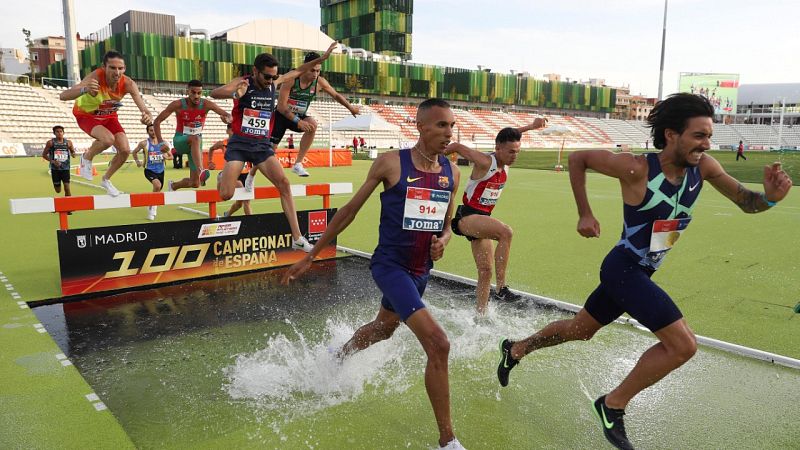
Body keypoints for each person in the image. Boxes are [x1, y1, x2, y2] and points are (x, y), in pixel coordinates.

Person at [496, 93, 792, 450]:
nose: (706, 143)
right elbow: (578, 159)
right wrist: (585, 213)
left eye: (708, 135)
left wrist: (771, 197)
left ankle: (516, 349)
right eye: (698, 135)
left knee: (580, 330)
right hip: (623, 269)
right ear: (671, 135)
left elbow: (748, 202)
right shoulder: (636, 168)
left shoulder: (705, 168)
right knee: (682, 346)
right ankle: (612, 404)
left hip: (642, 272)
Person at [283, 98, 465, 450]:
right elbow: (349, 211)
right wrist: (312, 256)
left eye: (451, 125)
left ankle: (340, 353)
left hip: (420, 271)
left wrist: (443, 239)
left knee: (383, 329)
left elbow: (447, 222)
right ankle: (447, 441)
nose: (448, 132)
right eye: (441, 125)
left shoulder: (452, 172)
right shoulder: (390, 163)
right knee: (439, 343)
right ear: (421, 126)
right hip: (390, 266)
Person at [210, 42, 338, 252]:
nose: (270, 80)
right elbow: (215, 93)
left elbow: (299, 70)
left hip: (261, 146)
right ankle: (223, 177)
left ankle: (297, 237)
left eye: (273, 77)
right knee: (226, 194)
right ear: (255, 72)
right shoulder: (243, 82)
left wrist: (321, 60)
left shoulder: (274, 83)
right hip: (240, 144)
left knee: (284, 184)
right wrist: (236, 94)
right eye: (267, 76)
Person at [446, 118, 548, 313]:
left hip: (482, 220)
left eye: (517, 152)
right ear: (498, 149)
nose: (515, 156)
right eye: (511, 152)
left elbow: (509, 136)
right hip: (467, 217)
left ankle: (480, 314)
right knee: (505, 232)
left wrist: (531, 127)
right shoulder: (486, 161)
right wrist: (433, 156)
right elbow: (458, 146)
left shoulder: (506, 160)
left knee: (485, 271)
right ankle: (502, 288)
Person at [243, 51, 360, 181]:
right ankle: (251, 175)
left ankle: (298, 163)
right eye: (312, 70)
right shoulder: (291, 80)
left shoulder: (320, 82)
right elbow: (281, 107)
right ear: (305, 68)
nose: (315, 74)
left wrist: (350, 108)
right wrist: (297, 121)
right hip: (281, 117)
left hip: (298, 116)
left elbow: (336, 95)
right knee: (270, 151)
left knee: (313, 125)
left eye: (318, 71)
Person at [59, 50, 152, 197]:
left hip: (109, 116)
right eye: (113, 68)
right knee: (108, 139)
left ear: (125, 68)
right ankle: (87, 156)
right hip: (87, 115)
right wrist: (85, 89)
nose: (117, 72)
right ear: (104, 67)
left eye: (120, 68)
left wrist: (146, 117)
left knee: (125, 150)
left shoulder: (128, 84)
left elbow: (144, 109)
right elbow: (63, 96)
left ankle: (106, 179)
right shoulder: (95, 77)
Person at [153, 79, 232, 191]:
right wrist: (160, 142)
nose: (196, 96)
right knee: (195, 138)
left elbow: (226, 114)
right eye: (193, 93)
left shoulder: (206, 104)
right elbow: (157, 121)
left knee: (195, 183)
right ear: (188, 91)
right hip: (180, 140)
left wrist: (226, 119)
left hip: (195, 144)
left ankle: (173, 185)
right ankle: (201, 170)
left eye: (199, 93)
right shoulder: (178, 104)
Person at [208, 124, 252, 217]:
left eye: (235, 130)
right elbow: (211, 149)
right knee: (244, 196)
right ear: (227, 131)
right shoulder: (223, 143)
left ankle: (227, 214)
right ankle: (252, 223)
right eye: (231, 130)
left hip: (245, 174)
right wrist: (210, 161)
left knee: (241, 203)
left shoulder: (244, 142)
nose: (234, 132)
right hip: (232, 174)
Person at [132, 124, 172, 220]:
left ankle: (152, 204)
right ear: (147, 132)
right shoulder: (144, 143)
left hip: (161, 171)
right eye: (151, 130)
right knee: (157, 186)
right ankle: (152, 208)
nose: (153, 132)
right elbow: (134, 152)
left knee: (157, 190)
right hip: (149, 170)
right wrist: (138, 162)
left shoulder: (164, 144)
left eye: (154, 130)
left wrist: (166, 157)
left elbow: (171, 156)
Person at [42, 125, 76, 202]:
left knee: (67, 187)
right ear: (54, 133)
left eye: (61, 131)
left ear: (63, 133)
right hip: (55, 169)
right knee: (58, 190)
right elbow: (44, 155)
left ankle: (69, 205)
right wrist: (53, 161)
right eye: (57, 132)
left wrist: (73, 154)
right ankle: (57, 186)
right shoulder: (50, 143)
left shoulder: (68, 142)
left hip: (65, 168)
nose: (59, 133)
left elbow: (72, 151)